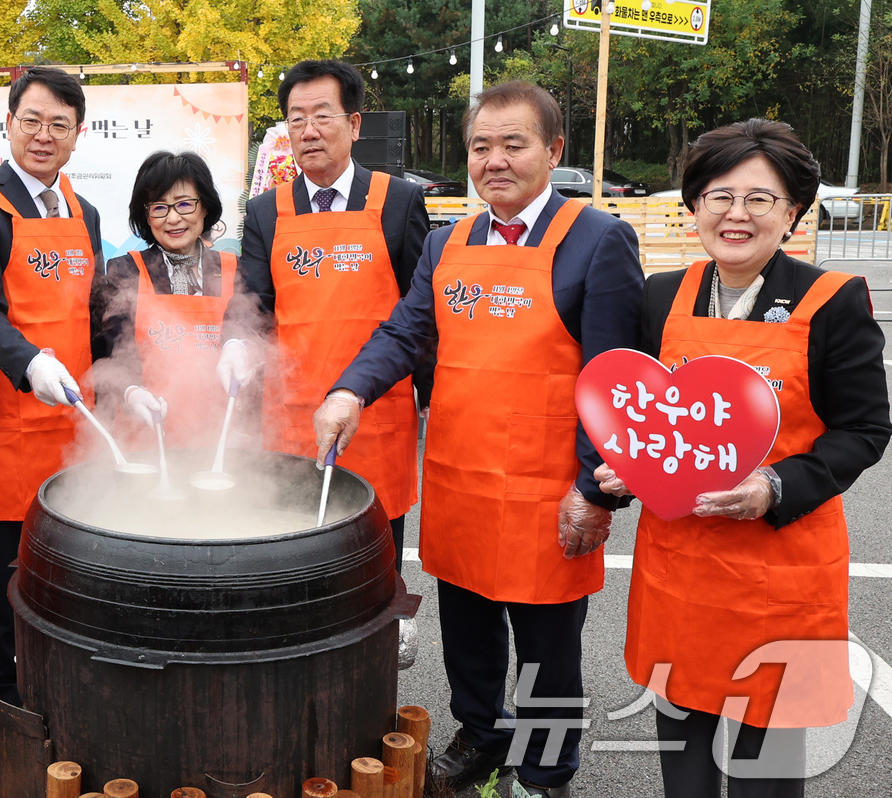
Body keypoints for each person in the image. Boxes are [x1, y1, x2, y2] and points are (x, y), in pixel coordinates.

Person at [313, 80, 645, 797]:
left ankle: (548, 769)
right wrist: (349, 389)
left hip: (547, 488)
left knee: (547, 652)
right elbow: (405, 333)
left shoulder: (599, 239)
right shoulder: (447, 240)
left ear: (552, 151)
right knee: (468, 635)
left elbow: (613, 380)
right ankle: (482, 736)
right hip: (462, 476)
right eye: (480, 146)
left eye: (513, 143)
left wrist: (595, 490)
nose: (494, 160)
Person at [597, 119, 890, 798]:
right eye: (718, 195)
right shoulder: (662, 295)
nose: (736, 214)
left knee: (765, 769)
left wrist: (775, 486)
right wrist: (623, 476)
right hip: (683, 569)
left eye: (760, 199)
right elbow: (642, 417)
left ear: (792, 213)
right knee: (685, 761)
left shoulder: (831, 301)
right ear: (693, 205)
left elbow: (865, 429)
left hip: (779, 567)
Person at [221, 59, 430, 572]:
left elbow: (422, 315)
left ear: (354, 124)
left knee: (374, 559)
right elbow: (250, 302)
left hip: (374, 417)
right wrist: (235, 343)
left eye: (322, 115)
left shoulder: (398, 202)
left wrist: (435, 399)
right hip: (290, 415)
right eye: (296, 119)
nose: (309, 131)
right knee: (292, 558)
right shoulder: (268, 210)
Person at [0, 65, 103, 707]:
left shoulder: (83, 210)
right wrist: (29, 361)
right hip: (5, 422)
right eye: (31, 120)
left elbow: (94, 309)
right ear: (8, 124)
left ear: (77, 134)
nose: (43, 135)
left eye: (58, 125)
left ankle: (55, 676)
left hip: (72, 423)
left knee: (67, 559)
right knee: (1, 570)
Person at [92, 150, 244, 446]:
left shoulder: (236, 271)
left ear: (205, 208)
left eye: (185, 204)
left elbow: (253, 340)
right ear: (145, 215)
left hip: (218, 441)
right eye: (159, 207)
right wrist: (130, 392)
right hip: (143, 437)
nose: (173, 218)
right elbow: (109, 353)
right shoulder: (124, 270)